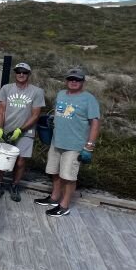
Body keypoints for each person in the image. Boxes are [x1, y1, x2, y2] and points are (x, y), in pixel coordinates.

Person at [34, 67, 100, 217]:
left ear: (83, 82)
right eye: (71, 79)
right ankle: (54, 198)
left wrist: (89, 146)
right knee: (54, 171)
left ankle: (64, 206)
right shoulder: (61, 94)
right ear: (66, 81)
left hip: (75, 145)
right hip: (56, 141)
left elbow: (95, 123)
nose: (73, 82)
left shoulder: (89, 99)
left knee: (68, 177)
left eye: (77, 79)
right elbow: (59, 114)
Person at [0, 62, 45, 201]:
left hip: (25, 132)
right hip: (7, 129)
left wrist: (20, 130)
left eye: (24, 72)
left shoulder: (37, 91)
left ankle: (15, 185)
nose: (21, 74)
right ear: (15, 73)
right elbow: (1, 111)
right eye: (18, 71)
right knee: (1, 159)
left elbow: (35, 115)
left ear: (29, 74)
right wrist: (0, 128)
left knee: (21, 161)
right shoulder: (6, 88)